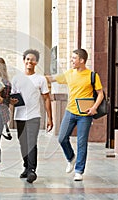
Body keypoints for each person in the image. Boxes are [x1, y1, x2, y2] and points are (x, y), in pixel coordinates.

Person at [46, 48, 104, 181]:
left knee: (81, 142)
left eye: (73, 58)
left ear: (81, 60)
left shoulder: (92, 76)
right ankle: (71, 158)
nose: (71, 60)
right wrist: (34, 77)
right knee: (61, 138)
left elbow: (100, 93)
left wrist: (94, 107)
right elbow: (52, 78)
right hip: (70, 111)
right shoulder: (69, 74)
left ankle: (79, 170)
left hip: (85, 114)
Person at [10, 49, 53, 183]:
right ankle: (26, 167)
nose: (29, 61)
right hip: (20, 115)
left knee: (31, 142)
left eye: (32, 59)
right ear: (24, 61)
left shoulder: (40, 79)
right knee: (23, 144)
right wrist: (11, 102)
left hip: (34, 116)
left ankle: (32, 170)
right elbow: (12, 98)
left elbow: (46, 99)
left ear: (36, 62)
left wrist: (50, 118)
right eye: (27, 59)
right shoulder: (17, 78)